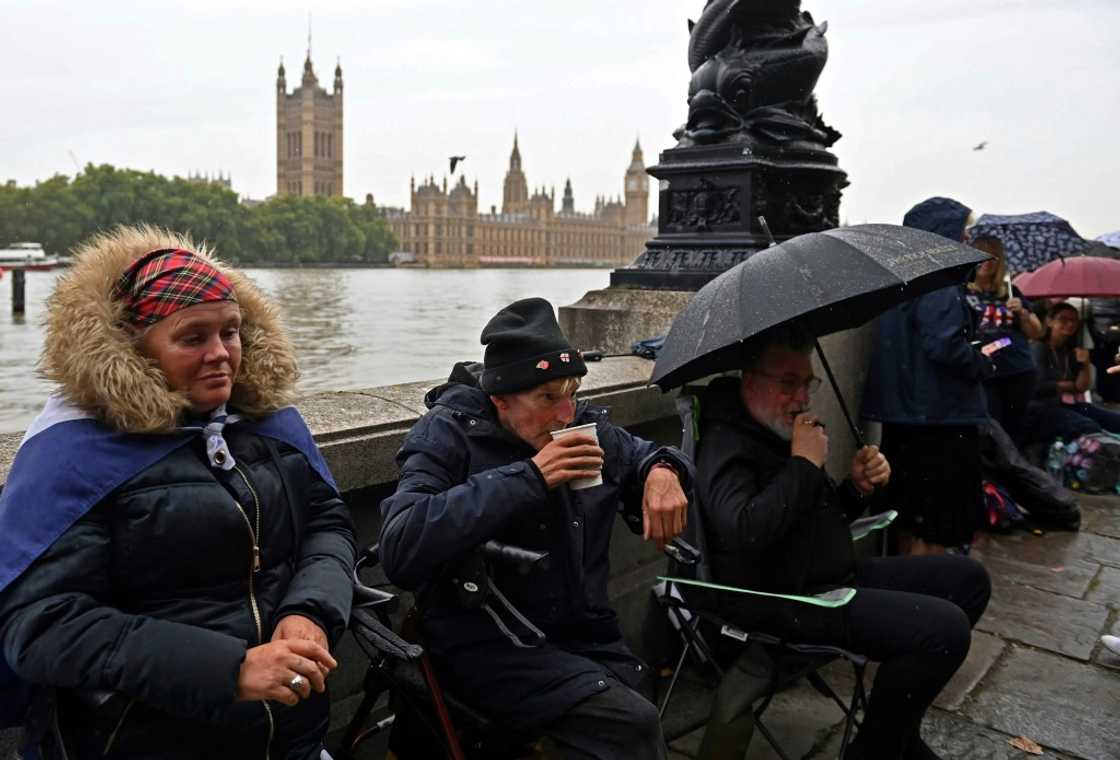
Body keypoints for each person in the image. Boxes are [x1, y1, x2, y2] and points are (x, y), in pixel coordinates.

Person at [0, 227, 356, 758]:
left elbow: (328, 525)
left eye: (231, 332)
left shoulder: (268, 426)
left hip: (291, 739)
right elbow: (43, 624)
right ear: (134, 346)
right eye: (193, 338)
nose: (221, 354)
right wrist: (232, 671)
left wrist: (311, 612)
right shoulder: (74, 452)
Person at [379, 297, 692, 759]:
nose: (566, 414)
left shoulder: (581, 427)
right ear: (501, 398)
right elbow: (400, 543)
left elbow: (644, 454)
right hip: (486, 646)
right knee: (631, 724)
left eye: (572, 393)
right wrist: (530, 477)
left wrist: (664, 471)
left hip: (579, 634)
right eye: (548, 397)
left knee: (636, 700)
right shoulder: (447, 433)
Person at [693, 327, 991, 760]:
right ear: (750, 381)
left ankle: (894, 734)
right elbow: (742, 531)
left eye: (807, 383)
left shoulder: (774, 429)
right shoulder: (727, 441)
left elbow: (812, 520)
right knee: (943, 631)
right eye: (788, 384)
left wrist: (855, 488)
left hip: (825, 572)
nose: (801, 399)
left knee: (967, 580)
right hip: (783, 597)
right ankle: (879, 749)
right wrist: (803, 464)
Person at [862, 197, 994, 555]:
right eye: (964, 232)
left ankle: (911, 580)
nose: (967, 241)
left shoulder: (903, 279)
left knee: (908, 514)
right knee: (937, 519)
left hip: (907, 417)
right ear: (943, 234)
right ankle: (928, 583)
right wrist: (981, 362)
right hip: (938, 419)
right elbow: (943, 344)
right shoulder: (939, 281)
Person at [965, 235, 1044, 444]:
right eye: (980, 255)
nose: (986, 262)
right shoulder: (961, 291)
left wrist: (1023, 313)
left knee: (1015, 429)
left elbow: (1037, 332)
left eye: (992, 257)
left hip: (1018, 369)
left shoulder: (1010, 292)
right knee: (990, 430)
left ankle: (1016, 464)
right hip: (983, 371)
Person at [1023, 302, 1120, 444]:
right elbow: (1038, 387)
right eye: (1063, 319)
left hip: (1066, 405)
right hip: (1041, 409)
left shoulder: (1071, 349)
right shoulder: (1038, 347)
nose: (1069, 324)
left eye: (1073, 320)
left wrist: (1085, 364)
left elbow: (1080, 387)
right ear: (1050, 321)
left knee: (1115, 420)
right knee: (1088, 426)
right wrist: (1068, 385)